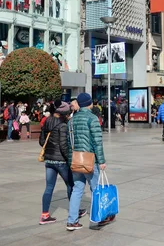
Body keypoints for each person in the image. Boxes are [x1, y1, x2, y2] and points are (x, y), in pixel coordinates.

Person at [66, 93, 107, 231]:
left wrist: (71, 159)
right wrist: (101, 161)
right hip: (90, 160)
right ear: (89, 103)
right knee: (96, 189)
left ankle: (72, 221)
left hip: (76, 160)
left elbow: (68, 143)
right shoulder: (92, 118)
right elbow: (97, 142)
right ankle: (99, 218)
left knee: (77, 189)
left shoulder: (71, 120)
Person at [39, 103, 85, 224]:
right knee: (71, 185)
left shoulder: (47, 122)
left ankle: (44, 215)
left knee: (49, 187)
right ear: (64, 114)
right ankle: (75, 211)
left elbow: (41, 141)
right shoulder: (63, 126)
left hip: (48, 160)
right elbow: (64, 146)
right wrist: (70, 160)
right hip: (61, 161)